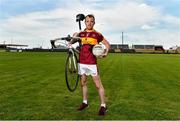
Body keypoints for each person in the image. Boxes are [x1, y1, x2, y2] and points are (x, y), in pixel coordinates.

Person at [70, 14, 110, 115]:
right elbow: (72, 41)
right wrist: (74, 37)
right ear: (85, 22)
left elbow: (107, 44)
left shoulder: (97, 34)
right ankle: (85, 103)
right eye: (87, 21)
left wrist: (105, 52)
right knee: (83, 83)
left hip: (92, 63)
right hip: (81, 62)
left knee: (98, 85)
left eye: (91, 21)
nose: (89, 23)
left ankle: (103, 106)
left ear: (94, 22)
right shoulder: (81, 33)